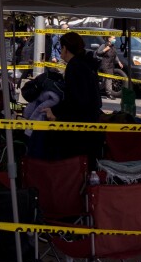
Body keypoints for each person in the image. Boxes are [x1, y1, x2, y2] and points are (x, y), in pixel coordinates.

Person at [41, 32, 103, 164]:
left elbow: (75, 99)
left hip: (79, 127)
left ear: (65, 48)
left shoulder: (74, 67)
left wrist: (55, 111)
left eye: (61, 48)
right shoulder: (86, 63)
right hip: (91, 122)